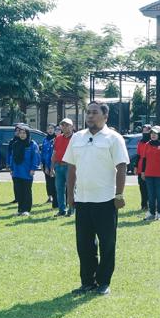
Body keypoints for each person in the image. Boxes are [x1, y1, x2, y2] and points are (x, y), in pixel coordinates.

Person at [64, 101, 129, 296]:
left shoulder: (114, 138)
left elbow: (122, 167)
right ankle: (87, 281)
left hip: (106, 200)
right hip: (82, 199)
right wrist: (69, 195)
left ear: (105, 116)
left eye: (94, 112)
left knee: (107, 243)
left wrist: (119, 194)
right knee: (84, 244)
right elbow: (71, 168)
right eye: (88, 112)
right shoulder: (77, 137)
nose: (90, 116)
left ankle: (103, 282)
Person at [137, 126, 160, 220]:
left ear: (159, 135)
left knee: (159, 194)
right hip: (148, 173)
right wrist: (143, 172)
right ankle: (151, 213)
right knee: (151, 195)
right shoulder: (147, 144)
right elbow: (144, 159)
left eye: (155, 133)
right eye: (151, 133)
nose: (153, 135)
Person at [8, 123, 40, 217]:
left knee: (27, 191)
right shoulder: (16, 144)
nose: (22, 135)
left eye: (24, 133)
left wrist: (33, 169)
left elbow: (36, 157)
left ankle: (26, 209)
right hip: (17, 171)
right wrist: (11, 168)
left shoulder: (32, 144)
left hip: (27, 171)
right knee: (19, 191)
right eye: (20, 133)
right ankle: (20, 209)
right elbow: (12, 157)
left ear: (27, 134)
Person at [53, 119, 75, 217]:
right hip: (58, 166)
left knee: (71, 189)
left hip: (70, 166)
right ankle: (61, 210)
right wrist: (51, 166)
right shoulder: (58, 138)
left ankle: (71, 209)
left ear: (72, 126)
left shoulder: (76, 138)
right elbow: (55, 153)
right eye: (63, 125)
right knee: (59, 189)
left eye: (67, 125)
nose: (65, 127)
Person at [134, 123, 151, 213]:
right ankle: (143, 205)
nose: (145, 132)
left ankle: (150, 204)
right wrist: (136, 166)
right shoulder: (140, 142)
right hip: (141, 168)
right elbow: (138, 155)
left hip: (150, 168)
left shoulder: (152, 142)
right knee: (142, 187)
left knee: (150, 188)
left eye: (147, 131)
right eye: (144, 131)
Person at [41, 124, 57, 208]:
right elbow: (43, 152)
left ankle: (55, 197)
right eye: (48, 128)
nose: (50, 130)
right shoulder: (45, 140)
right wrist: (42, 164)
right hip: (45, 163)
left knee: (54, 181)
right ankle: (49, 196)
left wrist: (51, 166)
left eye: (52, 128)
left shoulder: (56, 139)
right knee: (48, 181)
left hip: (53, 164)